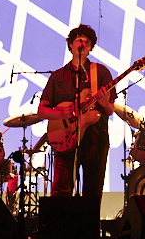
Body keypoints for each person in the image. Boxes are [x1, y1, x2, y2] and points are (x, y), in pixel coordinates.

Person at [37, 24, 114, 196]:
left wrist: (105, 102)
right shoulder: (58, 76)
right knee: (60, 192)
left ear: (90, 48)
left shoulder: (100, 73)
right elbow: (41, 110)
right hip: (65, 138)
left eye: (87, 42)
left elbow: (109, 110)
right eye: (79, 40)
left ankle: (90, 223)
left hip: (95, 138)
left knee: (92, 193)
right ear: (71, 44)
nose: (83, 44)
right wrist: (60, 114)